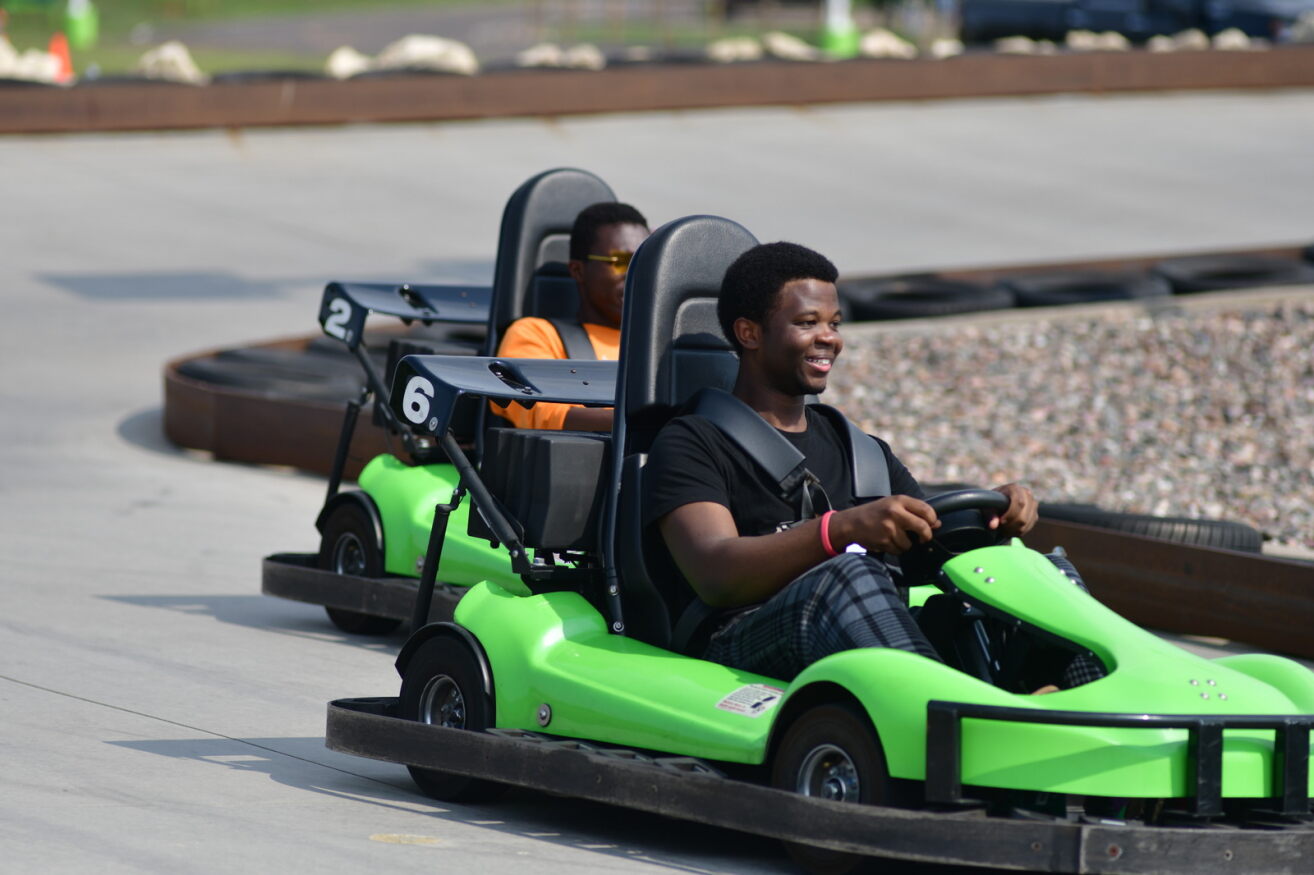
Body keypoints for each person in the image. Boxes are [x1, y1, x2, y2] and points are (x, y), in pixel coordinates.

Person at [642, 241, 1101, 688]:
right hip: (736, 640)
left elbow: (932, 549)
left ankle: (1093, 709)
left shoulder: (859, 448)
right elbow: (715, 575)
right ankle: (952, 717)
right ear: (750, 333)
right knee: (848, 575)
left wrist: (995, 518)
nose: (829, 339)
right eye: (807, 322)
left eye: (834, 323)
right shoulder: (691, 441)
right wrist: (839, 531)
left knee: (1045, 572)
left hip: (859, 623)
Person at [493, 202, 649, 431]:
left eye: (643, 262)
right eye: (621, 262)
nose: (635, 274)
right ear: (578, 270)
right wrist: (650, 424)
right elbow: (541, 412)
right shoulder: (537, 334)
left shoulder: (663, 342)